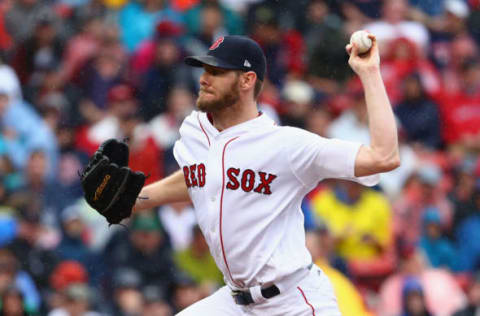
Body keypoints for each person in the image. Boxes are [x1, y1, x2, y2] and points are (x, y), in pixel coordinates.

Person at [129, 34, 400, 315]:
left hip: (292, 301)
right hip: (235, 302)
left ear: (247, 80)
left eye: (217, 72)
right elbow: (203, 177)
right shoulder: (196, 131)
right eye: (205, 70)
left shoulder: (286, 146)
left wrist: (369, 73)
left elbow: (383, 157)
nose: (204, 79)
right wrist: (136, 198)